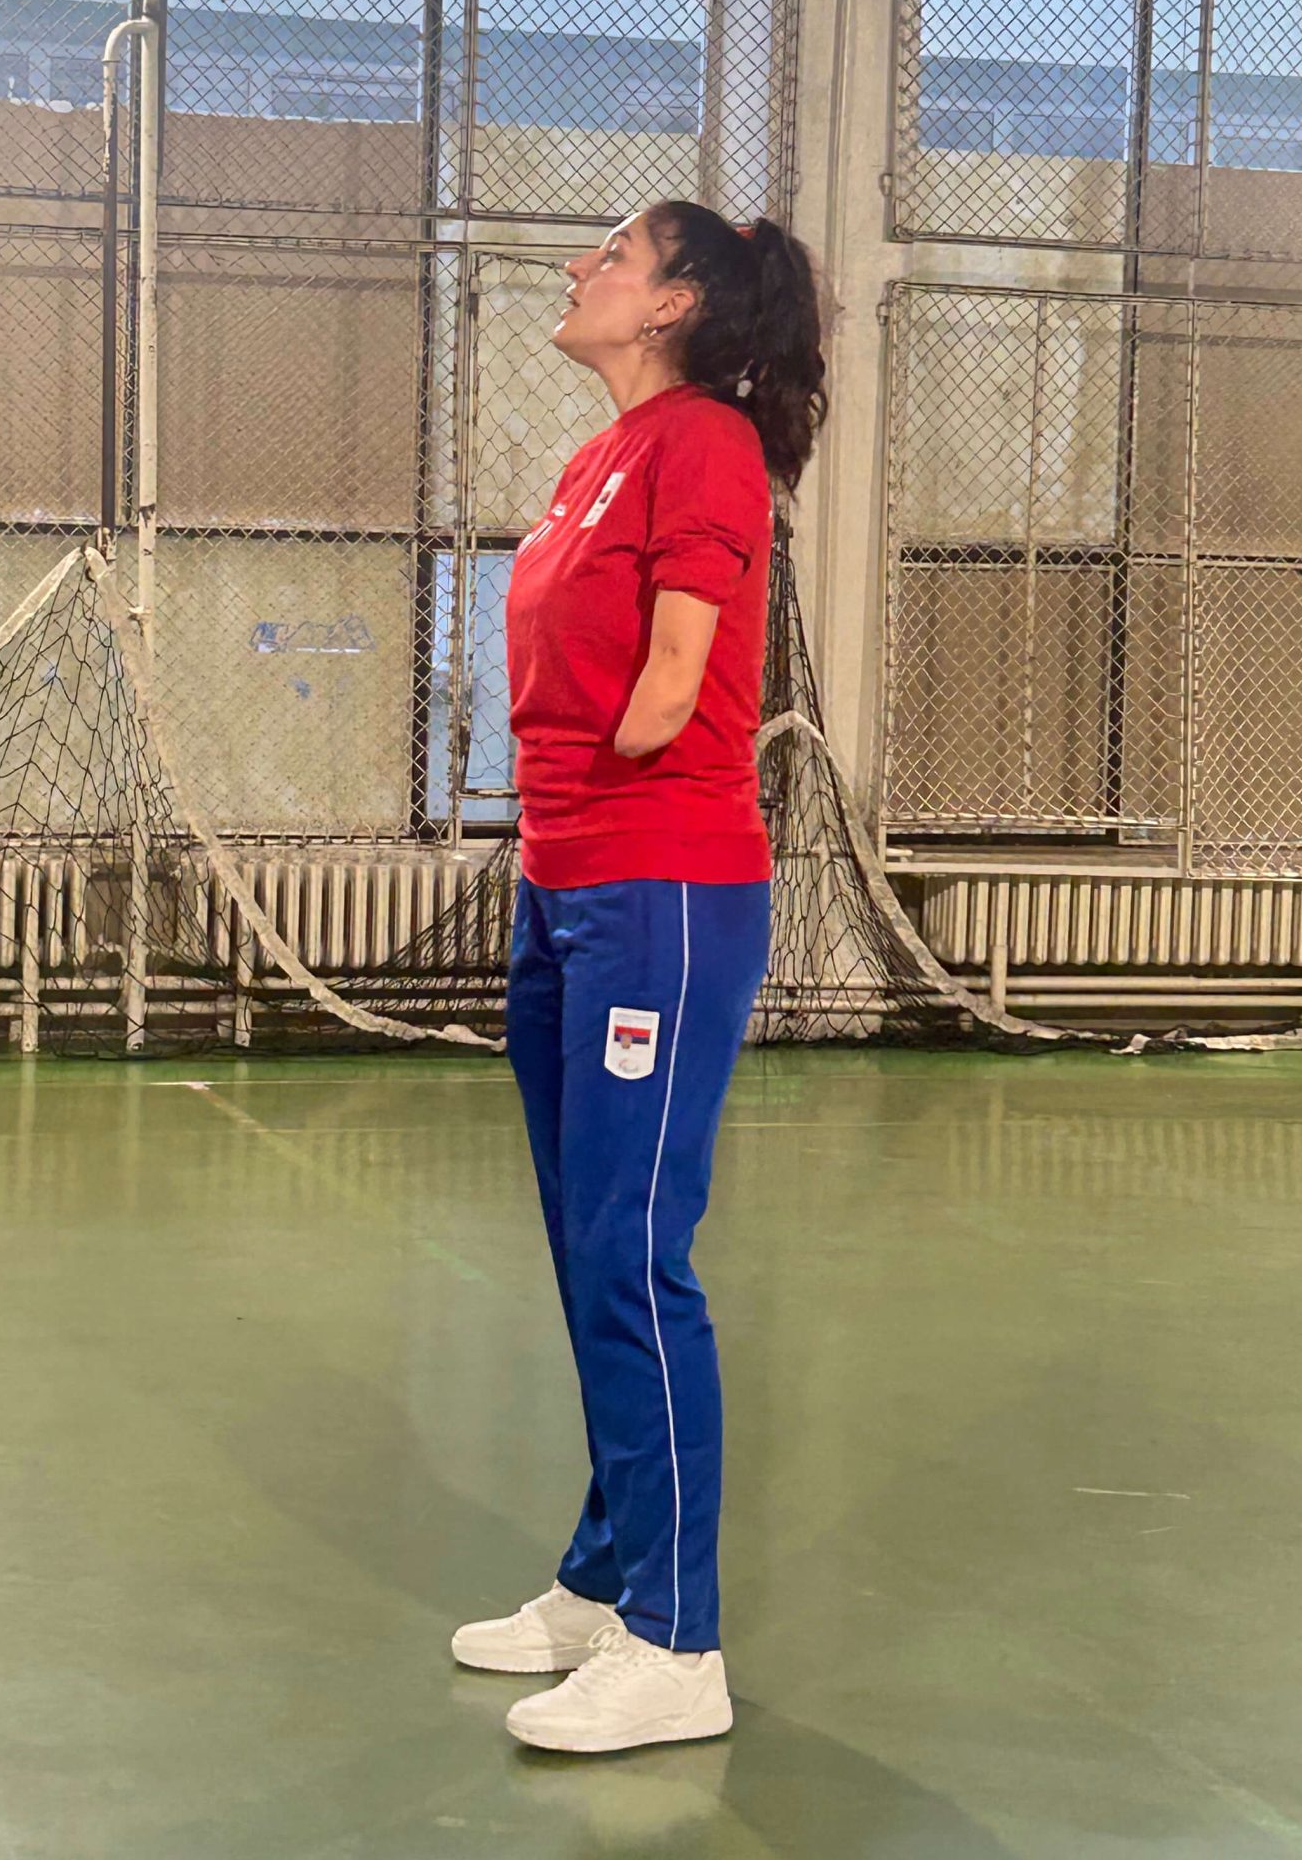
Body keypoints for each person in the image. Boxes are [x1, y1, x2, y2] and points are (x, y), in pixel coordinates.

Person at [451, 199, 828, 1755]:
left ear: (673, 304)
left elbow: (674, 681)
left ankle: (677, 1645)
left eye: (611, 255)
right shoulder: (600, 456)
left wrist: (608, 792)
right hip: (566, 890)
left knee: (634, 1256)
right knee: (583, 1244)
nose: (579, 269)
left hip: (659, 892)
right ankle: (606, 1579)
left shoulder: (706, 447)